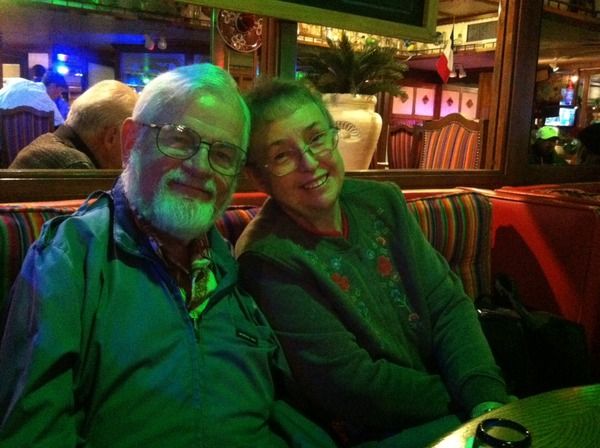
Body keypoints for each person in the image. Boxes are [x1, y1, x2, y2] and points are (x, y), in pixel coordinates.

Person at [0, 65, 336, 447]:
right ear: (130, 141)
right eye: (180, 139)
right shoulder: (70, 258)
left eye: (223, 154)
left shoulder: (233, 266)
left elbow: (286, 408)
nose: (200, 167)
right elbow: (33, 433)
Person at [236, 78, 513, 447]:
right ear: (258, 176)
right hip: (378, 433)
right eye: (282, 156)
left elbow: (447, 306)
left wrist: (484, 397)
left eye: (316, 138)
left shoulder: (382, 202)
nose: (309, 162)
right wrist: (465, 401)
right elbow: (352, 386)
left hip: (459, 405)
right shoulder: (268, 258)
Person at [10, 80, 138, 169]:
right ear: (111, 137)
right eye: (132, 142)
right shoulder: (76, 166)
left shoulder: (49, 142)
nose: (132, 154)